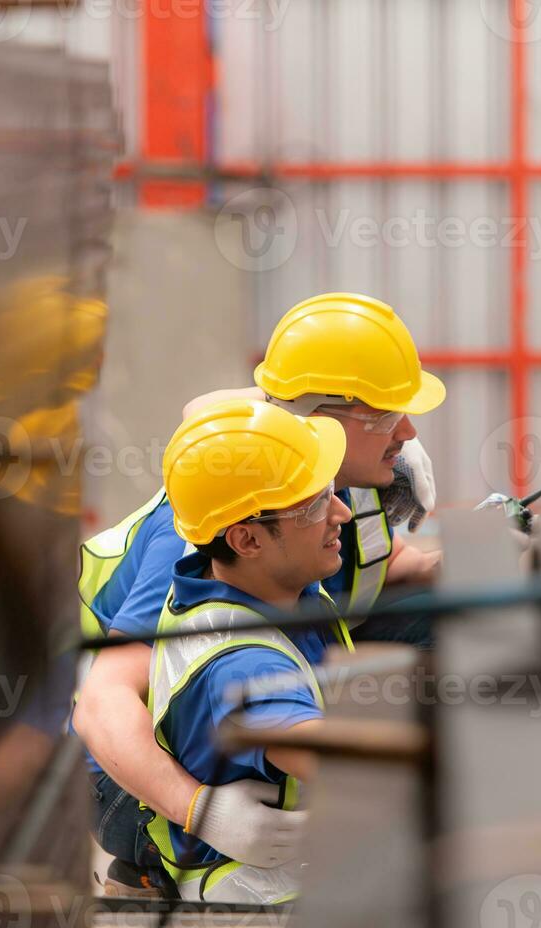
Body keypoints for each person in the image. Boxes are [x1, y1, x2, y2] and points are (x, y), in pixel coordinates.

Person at [73, 292, 445, 893]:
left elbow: (381, 573)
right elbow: (101, 702)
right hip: (130, 766)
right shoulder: (202, 534)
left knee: (438, 627)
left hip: (237, 684)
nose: (407, 432)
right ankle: (155, 864)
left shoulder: (318, 483)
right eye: (386, 416)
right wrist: (199, 809)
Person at [143, 399, 352, 902]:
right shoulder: (243, 667)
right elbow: (357, 770)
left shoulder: (259, 580)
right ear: (247, 539)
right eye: (314, 505)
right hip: (261, 902)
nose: (342, 513)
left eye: (331, 492)